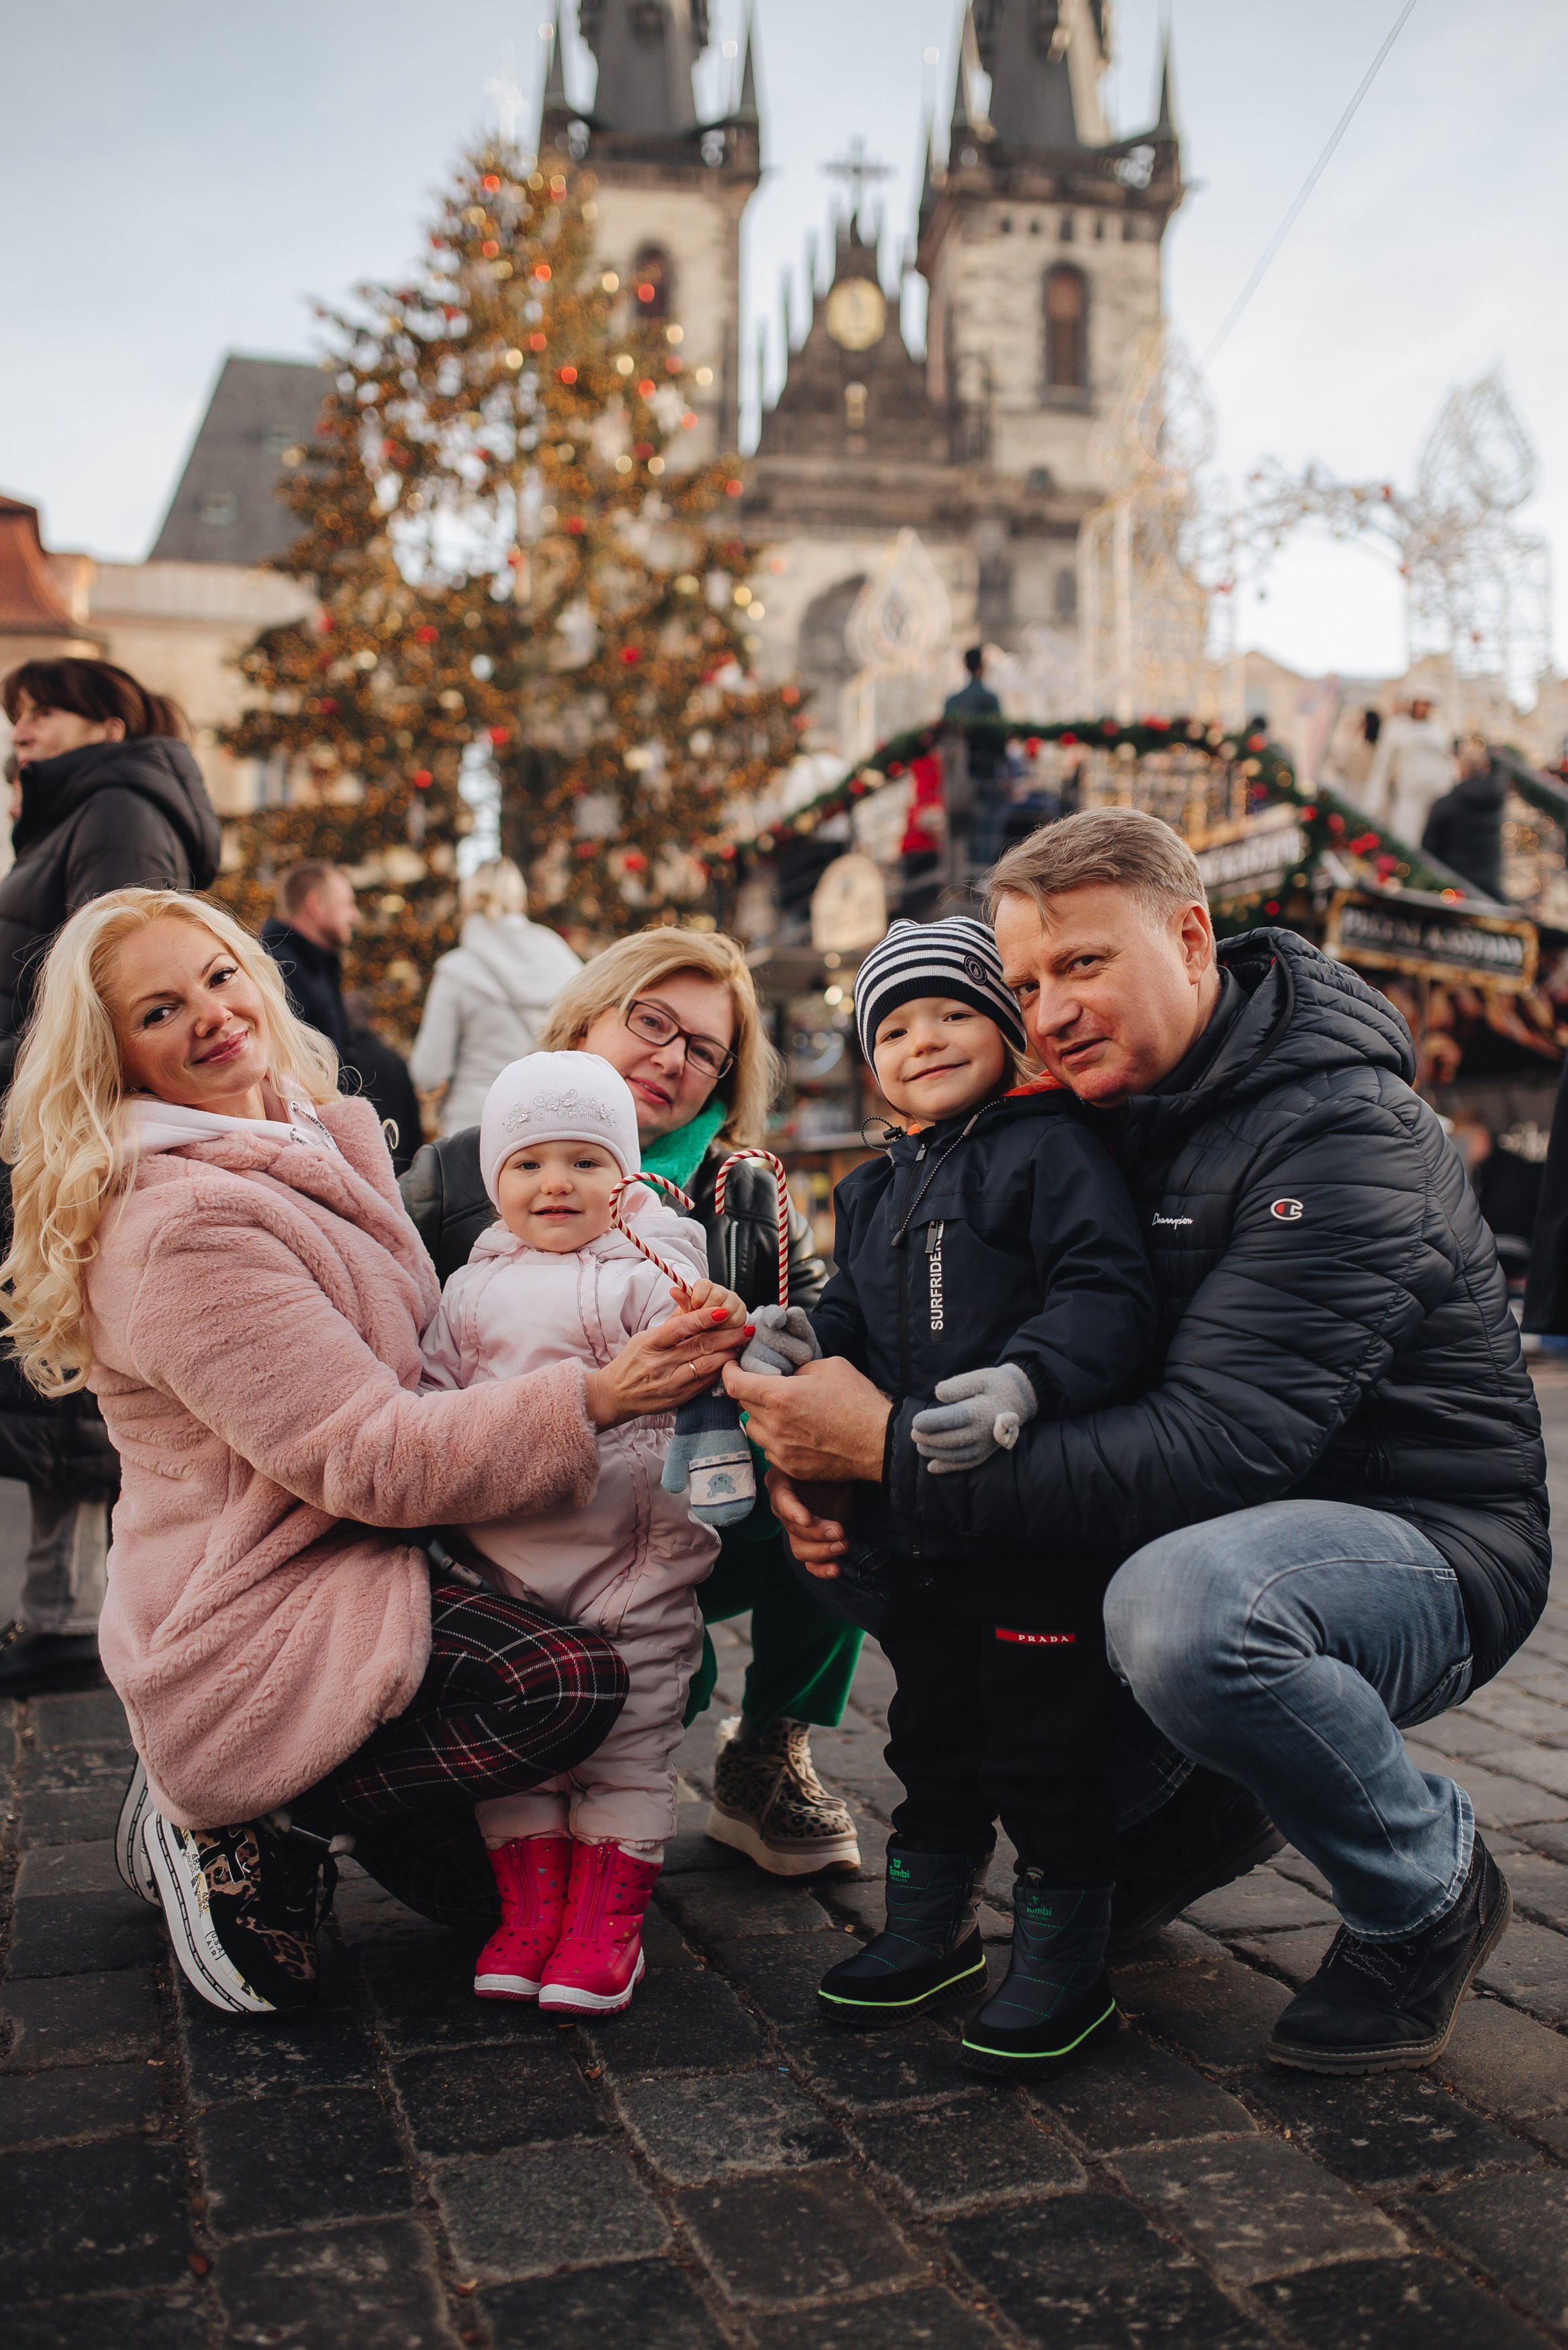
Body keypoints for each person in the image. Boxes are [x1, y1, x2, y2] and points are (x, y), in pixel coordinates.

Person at [736, 807, 1545, 2077]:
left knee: (1191, 1618)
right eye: (1026, 983)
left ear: (1188, 936)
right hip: (1171, 1532)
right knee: (1037, 1750)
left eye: (1084, 965)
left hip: (1413, 1545)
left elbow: (1217, 1446)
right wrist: (815, 1459)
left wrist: (889, 1447)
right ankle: (1220, 1784)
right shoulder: (1094, 1110)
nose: (1049, 1010)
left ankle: (1423, 1891)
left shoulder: (1340, 1134)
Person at [0, 886, 746, 2018]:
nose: (208, 1014)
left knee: (473, 1887)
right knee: (568, 1684)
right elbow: (366, 1457)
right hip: (266, 1591)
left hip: (385, 1545)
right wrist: (594, 1395)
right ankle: (240, 1808)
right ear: (118, 1056)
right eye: (159, 1011)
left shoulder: (307, 1133)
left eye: (215, 976)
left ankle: (323, 1787)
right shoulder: (181, 1222)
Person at [744, 917, 1157, 2077]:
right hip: (920, 1529)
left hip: (1032, 1523)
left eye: (953, 1013)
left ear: (1010, 1030)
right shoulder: (874, 1188)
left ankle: (1065, 1958)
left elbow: (1105, 1293)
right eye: (896, 1024)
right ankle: (927, 1932)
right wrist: (804, 1337)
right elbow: (859, 1324)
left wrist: (1032, 1376)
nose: (924, 1038)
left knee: (1043, 1744)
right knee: (932, 1737)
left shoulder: (1053, 1150)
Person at [400, 925, 864, 1877]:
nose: (671, 1057)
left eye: (704, 1049)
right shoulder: (459, 1173)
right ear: (584, 1017)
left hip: (691, 1508)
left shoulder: (743, 1193)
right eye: (652, 1021)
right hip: (505, 1525)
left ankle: (769, 1749)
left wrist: (781, 1392)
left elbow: (824, 1332)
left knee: (851, 1492)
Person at [422, 1052, 747, 2014]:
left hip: (630, 1566)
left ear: (625, 1176)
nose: (555, 1184)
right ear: (494, 1183)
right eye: (527, 1165)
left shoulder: (649, 1271)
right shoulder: (468, 1291)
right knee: (519, 1758)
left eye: (583, 1161)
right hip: (504, 1569)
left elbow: (708, 1349)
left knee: (625, 1747)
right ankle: (529, 1911)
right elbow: (434, 1401)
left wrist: (719, 1323)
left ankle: (606, 1924)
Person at [0, 656, 222, 1699]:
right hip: (56, 1119)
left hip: (78, 1127)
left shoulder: (120, 808)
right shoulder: (80, 811)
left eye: (42, 710)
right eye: (18, 714)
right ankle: (66, 1609)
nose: (23, 730)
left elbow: (116, 979)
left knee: (84, 1368)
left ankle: (80, 1617)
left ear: (106, 718)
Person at [408, 857, 582, 1134]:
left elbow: (427, 1072)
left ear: (467, 903)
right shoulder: (564, 959)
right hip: (549, 1124)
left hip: (474, 1126)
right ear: (521, 901)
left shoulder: (458, 969)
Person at [262, 861, 358, 1053]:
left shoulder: (316, 965)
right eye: (348, 904)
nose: (355, 916)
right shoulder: (281, 969)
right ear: (316, 905)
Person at [342, 990, 423, 1178]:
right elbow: (412, 1119)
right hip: (399, 1164)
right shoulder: (394, 1061)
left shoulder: (340, 1061)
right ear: (372, 1020)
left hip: (356, 1168)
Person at [1359, 697, 1457, 851]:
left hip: (1435, 795)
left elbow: (1447, 760)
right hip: (1409, 795)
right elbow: (1383, 765)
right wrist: (1373, 803)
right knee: (1405, 840)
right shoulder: (1397, 728)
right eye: (1419, 703)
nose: (1422, 708)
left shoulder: (1439, 730)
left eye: (1426, 704)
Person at [944, 646, 1010, 872]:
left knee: (964, 827)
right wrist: (1006, 768)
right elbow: (999, 736)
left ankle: (965, 875)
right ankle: (982, 873)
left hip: (958, 775)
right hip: (986, 772)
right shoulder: (988, 699)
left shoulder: (953, 701)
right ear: (982, 667)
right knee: (988, 825)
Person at [1422, 738, 1508, 901]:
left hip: (1455, 890)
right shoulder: (1496, 801)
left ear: (1461, 769)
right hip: (1489, 888)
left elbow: (1429, 850)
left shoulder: (1447, 804)